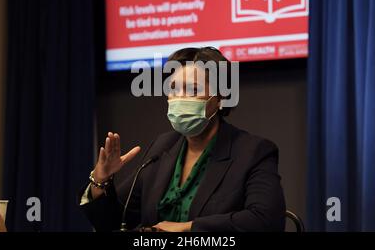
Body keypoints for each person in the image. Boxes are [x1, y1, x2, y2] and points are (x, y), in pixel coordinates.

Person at [79, 47, 285, 231]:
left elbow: (267, 221)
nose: (180, 98)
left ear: (220, 97)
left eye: (193, 90)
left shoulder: (253, 152)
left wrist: (189, 228)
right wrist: (101, 180)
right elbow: (114, 221)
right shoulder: (163, 147)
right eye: (174, 89)